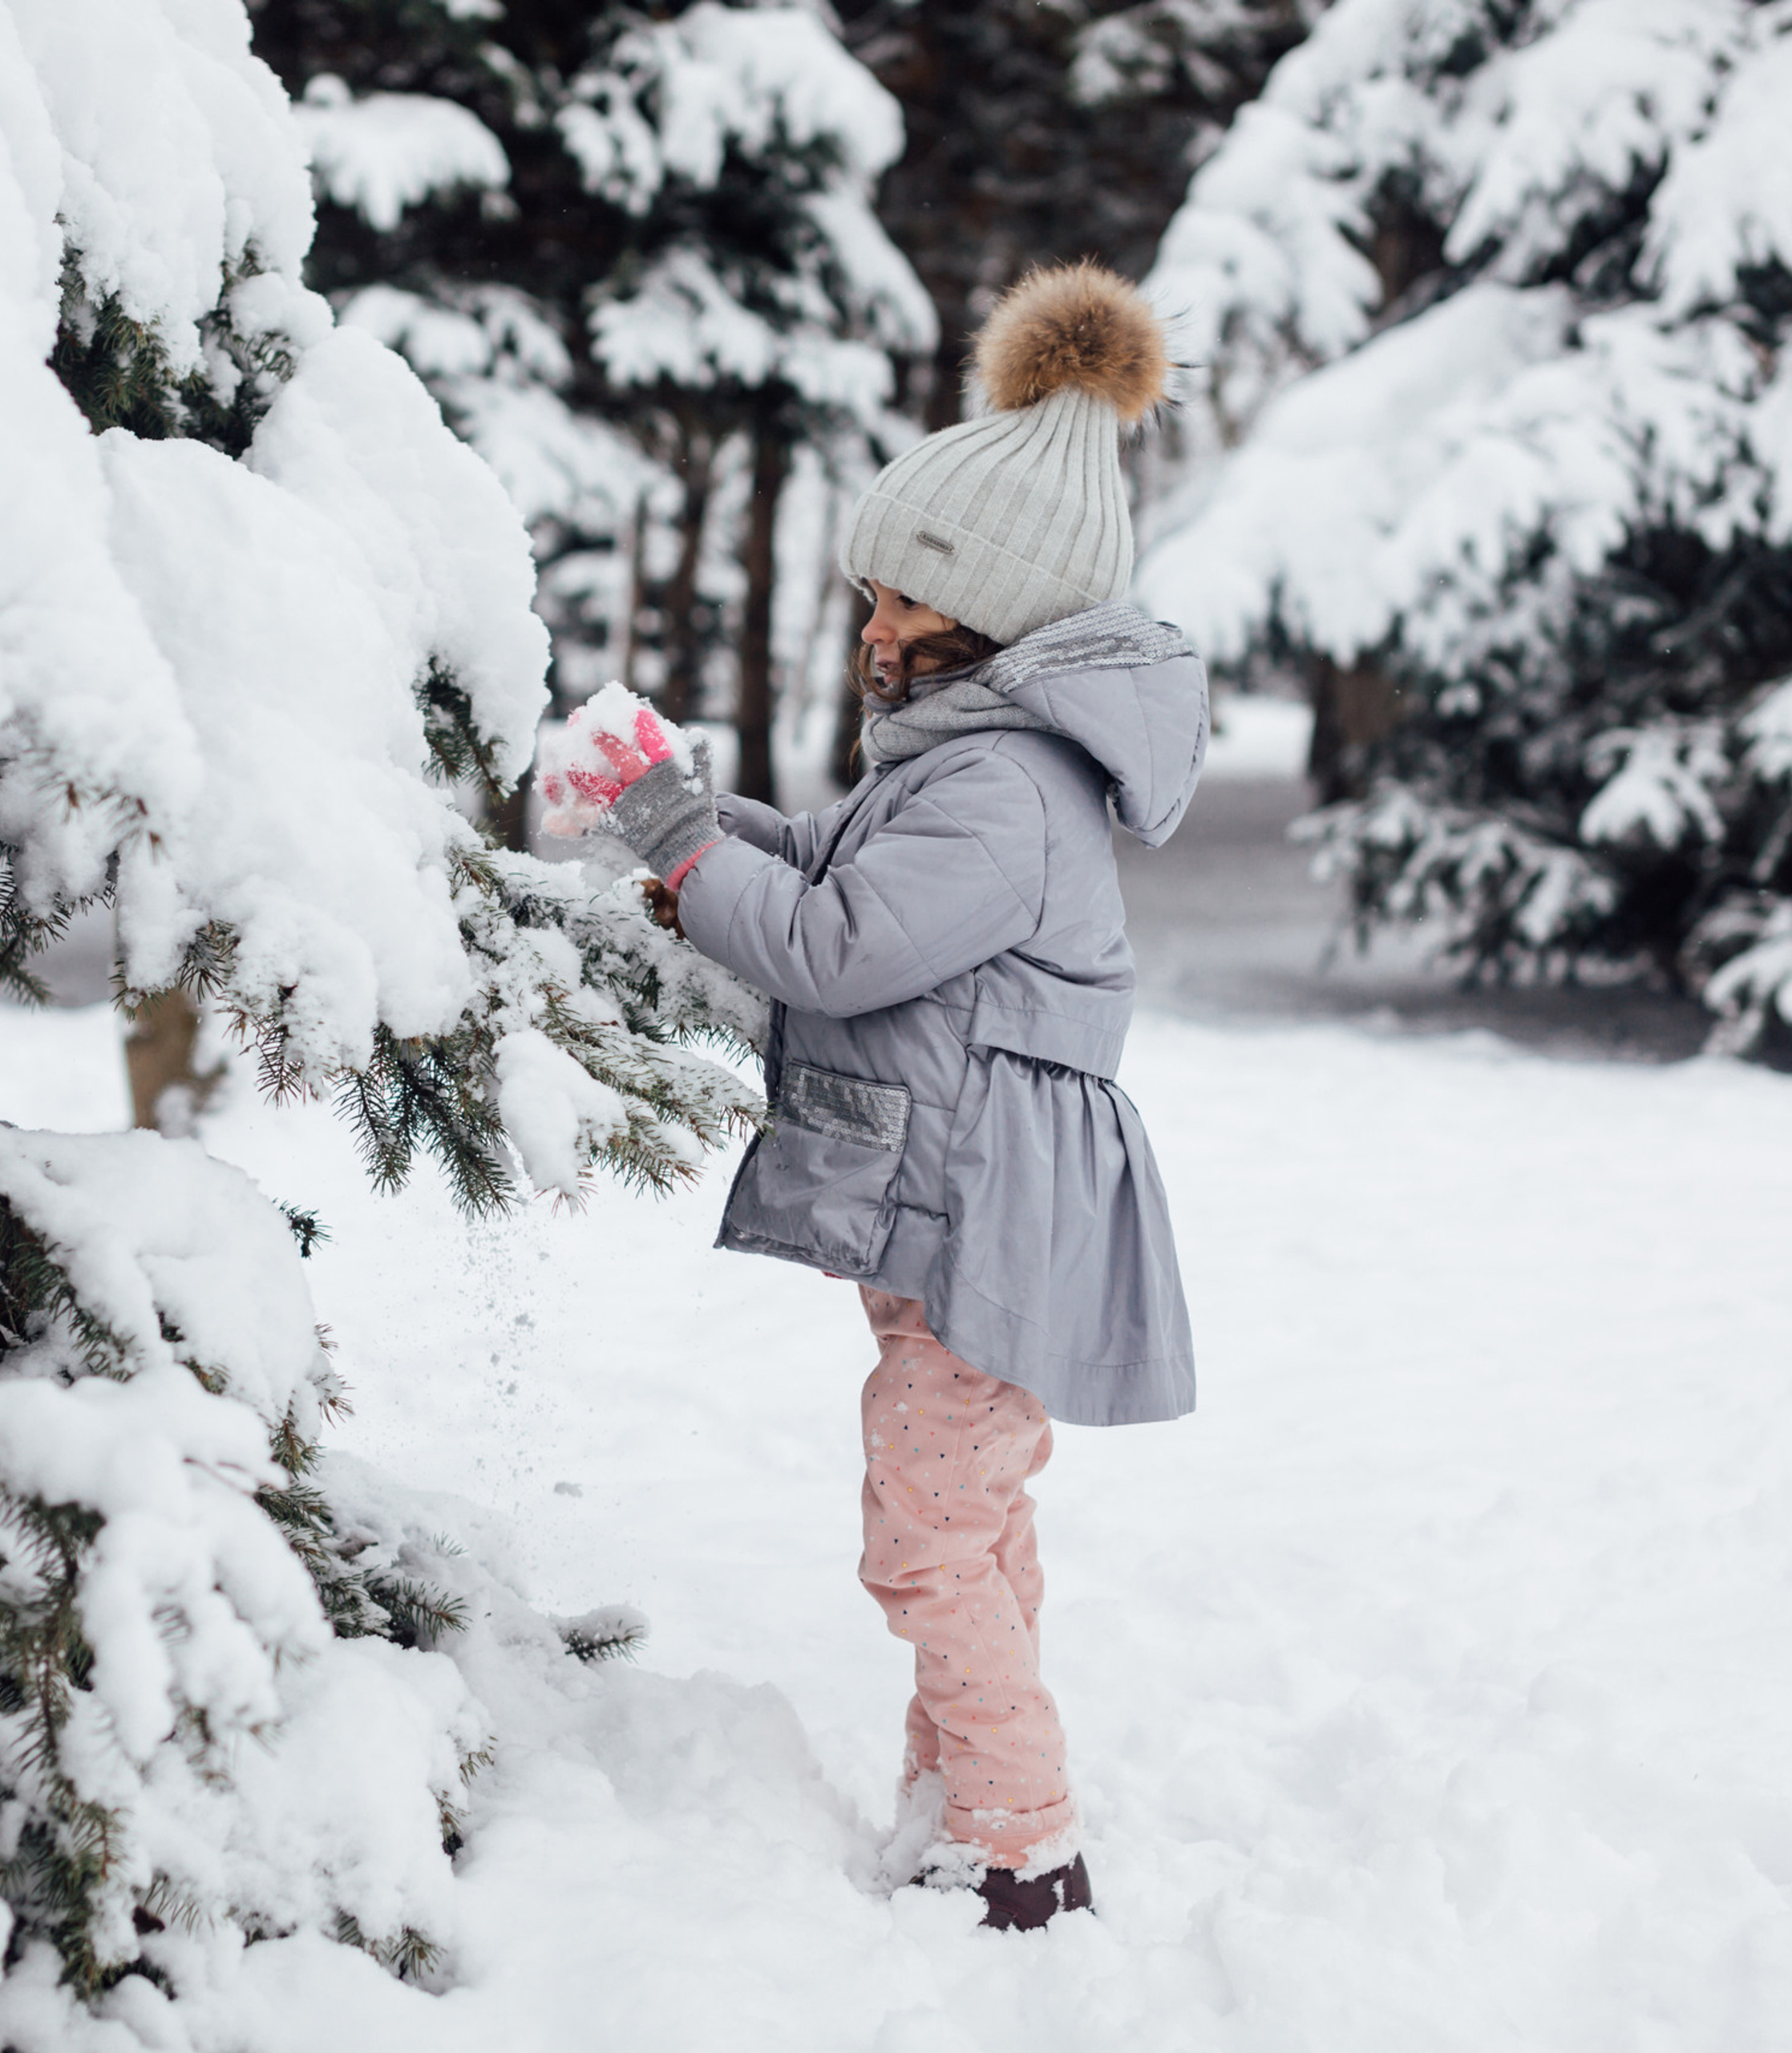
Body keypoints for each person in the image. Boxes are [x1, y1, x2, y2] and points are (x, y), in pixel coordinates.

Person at [571, 261, 1206, 1930]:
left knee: (926, 1531)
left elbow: (841, 946)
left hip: (985, 1231)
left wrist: (673, 846)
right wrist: (703, 822)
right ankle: (960, 1800)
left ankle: (1020, 1839)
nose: (869, 630)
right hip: (967, 1217)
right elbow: (843, 873)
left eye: (897, 608)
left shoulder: (997, 787)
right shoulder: (966, 767)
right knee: (961, 1521)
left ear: (985, 623)